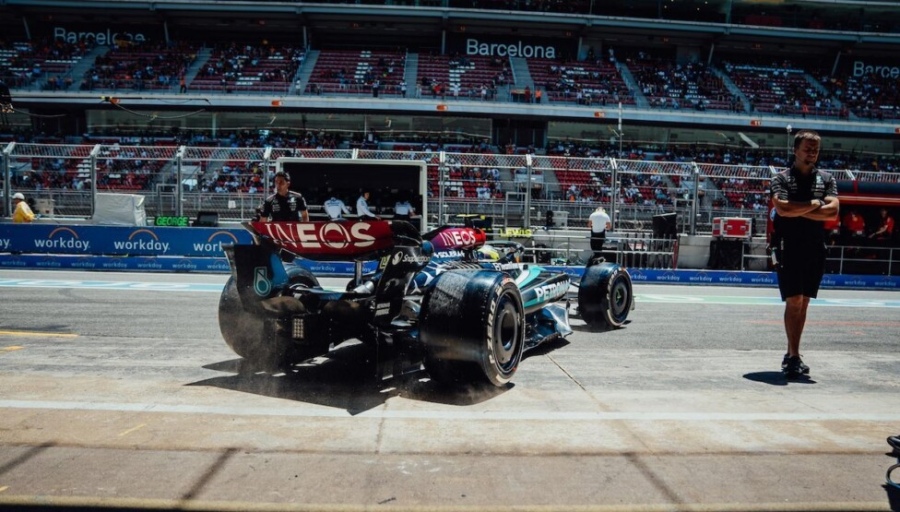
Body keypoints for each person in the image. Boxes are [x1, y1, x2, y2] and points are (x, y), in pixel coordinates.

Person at [769, 130, 839, 378]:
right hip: (788, 245)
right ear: (795, 150)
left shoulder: (827, 179)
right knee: (794, 300)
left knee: (805, 301)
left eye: (816, 149)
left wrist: (797, 210)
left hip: (815, 245)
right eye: (808, 148)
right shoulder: (781, 178)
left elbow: (832, 213)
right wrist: (813, 205)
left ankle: (792, 354)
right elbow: (782, 209)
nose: (812, 152)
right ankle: (794, 355)